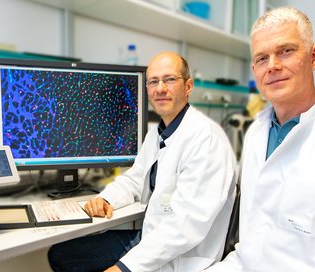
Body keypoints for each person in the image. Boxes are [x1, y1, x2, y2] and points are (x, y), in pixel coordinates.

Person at [47, 51, 237, 271]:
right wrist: (106, 199)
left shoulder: (206, 139)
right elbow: (135, 179)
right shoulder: (158, 133)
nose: (160, 89)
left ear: (188, 86)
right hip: (152, 236)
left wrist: (123, 268)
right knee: (61, 255)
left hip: (182, 254)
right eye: (153, 81)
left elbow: (185, 227)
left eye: (170, 79)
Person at [206, 6, 315, 272]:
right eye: (261, 58)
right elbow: (249, 250)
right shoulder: (256, 133)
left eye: (286, 51)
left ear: (314, 56)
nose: (272, 66)